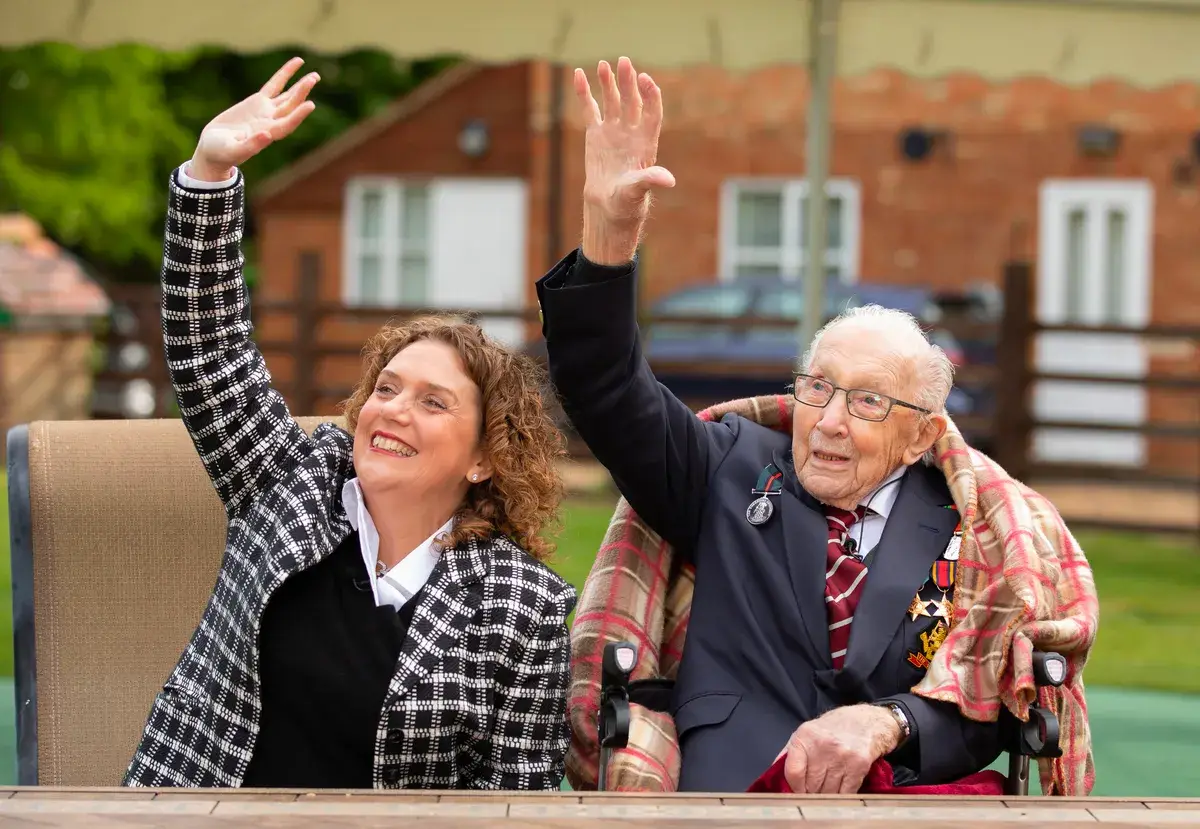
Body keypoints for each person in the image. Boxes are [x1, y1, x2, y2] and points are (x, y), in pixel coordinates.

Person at [535, 57, 1097, 795]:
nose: (828, 421)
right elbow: (605, 387)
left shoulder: (973, 523)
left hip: (908, 803)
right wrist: (608, 236)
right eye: (818, 388)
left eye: (867, 402)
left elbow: (993, 707)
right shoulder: (727, 466)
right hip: (731, 797)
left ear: (922, 435)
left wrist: (889, 721)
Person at [122, 58, 576, 790]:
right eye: (387, 388)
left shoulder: (525, 607)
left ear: (484, 458)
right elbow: (209, 349)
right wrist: (209, 174)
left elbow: (514, 799)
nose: (394, 409)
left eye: (433, 401)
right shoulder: (285, 482)